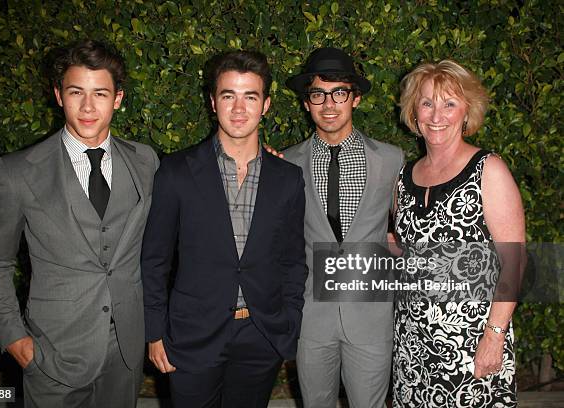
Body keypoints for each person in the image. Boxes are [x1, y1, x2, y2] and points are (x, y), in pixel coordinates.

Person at [0, 40, 159, 407]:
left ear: (118, 99)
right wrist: (15, 339)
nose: (89, 107)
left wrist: (255, 156)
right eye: (77, 92)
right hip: (52, 352)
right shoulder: (17, 172)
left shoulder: (146, 161)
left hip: (125, 351)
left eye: (100, 94)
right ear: (59, 96)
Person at [141, 50, 307, 408]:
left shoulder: (288, 179)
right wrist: (155, 332)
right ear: (212, 102)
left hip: (260, 336)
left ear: (266, 105)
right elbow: (154, 260)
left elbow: (293, 260)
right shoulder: (176, 171)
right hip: (191, 336)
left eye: (251, 96)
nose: (238, 108)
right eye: (228, 95)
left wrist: (289, 321)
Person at [393, 59, 525, 407]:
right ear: (414, 112)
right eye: (427, 103)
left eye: (449, 103)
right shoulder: (404, 177)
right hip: (412, 344)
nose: (437, 115)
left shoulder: (488, 170)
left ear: (467, 111)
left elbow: (513, 262)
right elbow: (413, 251)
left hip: (470, 342)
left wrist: (495, 336)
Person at [284, 47, 404, 408]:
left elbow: (409, 230)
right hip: (310, 314)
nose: (329, 104)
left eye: (339, 93)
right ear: (307, 102)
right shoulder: (287, 163)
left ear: (355, 98)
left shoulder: (390, 159)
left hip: (370, 314)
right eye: (318, 94)